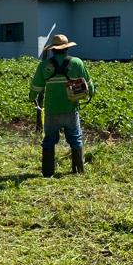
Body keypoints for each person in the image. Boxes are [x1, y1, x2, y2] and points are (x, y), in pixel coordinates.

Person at [29, 34, 95, 177]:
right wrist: (91, 95)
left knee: (49, 140)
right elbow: (89, 85)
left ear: (53, 50)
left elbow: (35, 88)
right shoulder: (77, 63)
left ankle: (47, 173)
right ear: (66, 49)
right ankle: (78, 171)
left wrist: (31, 98)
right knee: (75, 138)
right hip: (71, 109)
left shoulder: (44, 65)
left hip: (51, 111)